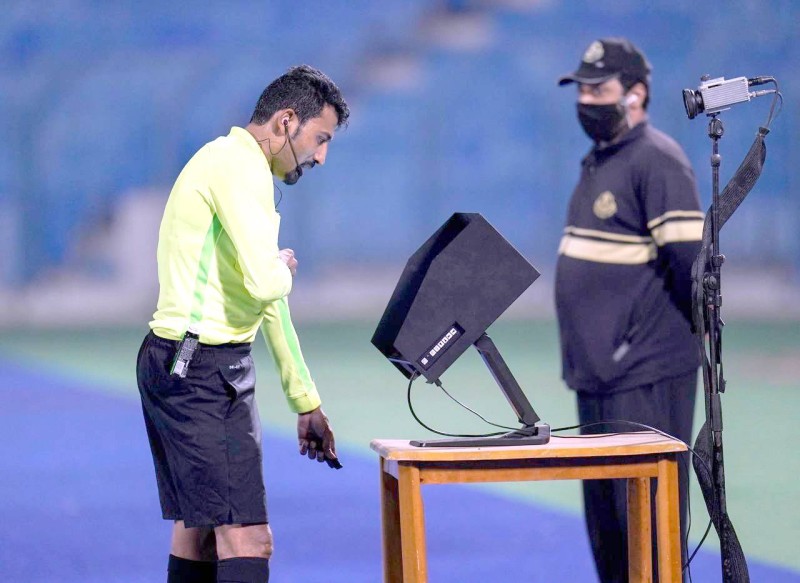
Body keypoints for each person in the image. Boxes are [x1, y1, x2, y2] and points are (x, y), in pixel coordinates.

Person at [136, 65, 350, 583]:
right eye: (320, 139)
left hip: (187, 362)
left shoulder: (233, 164)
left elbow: (265, 299)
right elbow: (265, 282)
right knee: (249, 539)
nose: (321, 156)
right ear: (285, 121)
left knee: (199, 531)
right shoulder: (239, 169)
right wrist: (281, 269)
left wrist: (305, 400)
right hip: (202, 370)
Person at [555, 38, 703, 582]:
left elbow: (694, 271)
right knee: (610, 535)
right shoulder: (602, 159)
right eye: (582, 89)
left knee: (649, 535)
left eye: (600, 90)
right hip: (598, 377)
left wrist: (641, 347)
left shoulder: (657, 160)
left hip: (643, 378)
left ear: (636, 93)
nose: (587, 100)